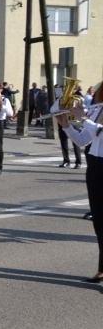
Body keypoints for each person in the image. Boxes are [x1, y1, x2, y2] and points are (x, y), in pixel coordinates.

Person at [55, 82, 103, 283]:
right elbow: (83, 140)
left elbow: (101, 132)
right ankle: (102, 268)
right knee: (99, 221)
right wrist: (66, 124)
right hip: (96, 166)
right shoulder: (97, 109)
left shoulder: (91, 114)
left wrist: (84, 118)